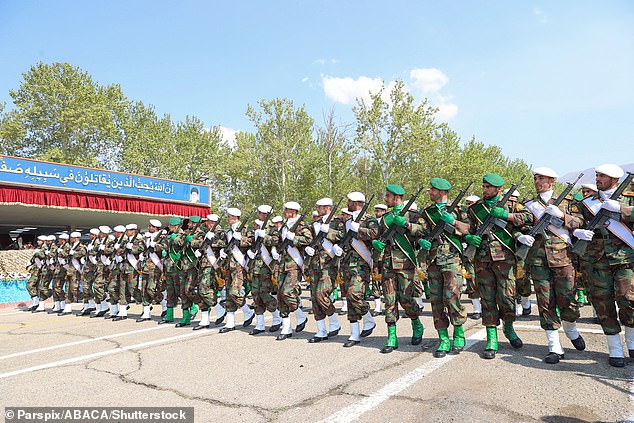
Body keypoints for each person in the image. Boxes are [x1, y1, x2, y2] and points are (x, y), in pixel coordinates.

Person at [519, 167, 586, 363]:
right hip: (539, 260)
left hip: (564, 258)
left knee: (568, 299)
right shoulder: (528, 204)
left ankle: (571, 329)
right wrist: (521, 235)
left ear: (552, 181)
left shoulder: (568, 202)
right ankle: (554, 347)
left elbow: (580, 223)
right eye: (536, 178)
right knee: (545, 302)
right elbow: (521, 225)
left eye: (542, 178)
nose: (537, 181)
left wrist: (563, 217)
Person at [573, 164, 634, 367]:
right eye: (597, 175)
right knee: (603, 303)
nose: (598, 178)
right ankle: (615, 348)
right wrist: (577, 231)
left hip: (625, 256)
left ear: (615, 179)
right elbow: (577, 220)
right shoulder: (587, 203)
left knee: (628, 299)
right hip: (596, 257)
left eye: (603, 176)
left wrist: (622, 209)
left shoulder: (629, 197)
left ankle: (632, 342)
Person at [464, 174, 530, 359]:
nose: (484, 190)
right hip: (483, 259)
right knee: (487, 298)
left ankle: (509, 329)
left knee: (507, 297)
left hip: (505, 259)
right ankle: (491, 338)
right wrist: (469, 237)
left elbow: (529, 218)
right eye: (483, 186)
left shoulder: (511, 204)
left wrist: (507, 215)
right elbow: (468, 228)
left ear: (498, 189)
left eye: (488, 187)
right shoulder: (476, 208)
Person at [417, 178, 469, 358]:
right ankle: (443, 338)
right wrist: (420, 240)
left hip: (452, 259)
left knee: (452, 296)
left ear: (441, 191)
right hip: (433, 260)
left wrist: (454, 222)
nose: (430, 192)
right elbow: (422, 230)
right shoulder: (427, 212)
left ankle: (459, 332)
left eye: (432, 189)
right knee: (436, 300)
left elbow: (469, 230)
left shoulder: (458, 210)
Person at [372, 185, 424, 354]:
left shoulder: (412, 215)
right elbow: (379, 235)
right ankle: (392, 336)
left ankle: (416, 323)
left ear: (397, 198)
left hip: (405, 264)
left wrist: (409, 225)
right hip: (388, 264)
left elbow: (423, 231)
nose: (385, 198)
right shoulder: (385, 218)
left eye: (388, 196)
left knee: (406, 299)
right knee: (389, 300)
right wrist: (376, 243)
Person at [339, 192, 379, 347]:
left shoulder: (369, 219)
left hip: (361, 264)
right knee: (349, 298)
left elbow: (375, 234)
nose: (348, 203)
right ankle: (354, 334)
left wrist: (359, 230)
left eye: (350, 201)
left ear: (356, 203)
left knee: (353, 294)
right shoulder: (347, 220)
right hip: (347, 263)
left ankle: (368, 318)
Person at [272, 201, 313, 340]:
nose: (285, 212)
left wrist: (294, 238)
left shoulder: (302, 226)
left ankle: (300, 315)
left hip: (294, 264)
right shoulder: (284, 225)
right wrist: (274, 248)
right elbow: (278, 240)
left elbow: (308, 239)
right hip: (282, 263)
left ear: (294, 211)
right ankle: (286, 328)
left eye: (288, 210)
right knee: (280, 296)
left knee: (287, 292)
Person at [246, 205, 282, 334]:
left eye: (262, 213)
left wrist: (265, 237)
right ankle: (260, 324)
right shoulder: (254, 227)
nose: (260, 215)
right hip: (255, 266)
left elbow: (277, 240)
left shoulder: (273, 228)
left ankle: (277, 318)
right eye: (259, 213)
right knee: (256, 295)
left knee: (266, 295)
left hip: (266, 266)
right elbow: (248, 241)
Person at [218, 208, 255, 333]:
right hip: (229, 265)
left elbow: (253, 242)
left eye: (229, 216)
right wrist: (222, 251)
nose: (227, 219)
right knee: (229, 293)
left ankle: (248, 311)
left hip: (240, 265)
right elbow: (225, 244)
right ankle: (230, 323)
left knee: (235, 291)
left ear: (235, 217)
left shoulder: (246, 229)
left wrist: (241, 239)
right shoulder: (228, 231)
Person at [137, 219, 167, 322]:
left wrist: (155, 247)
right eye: (149, 226)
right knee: (144, 290)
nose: (149, 227)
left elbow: (165, 247)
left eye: (151, 226)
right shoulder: (146, 237)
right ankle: (146, 313)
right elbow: (140, 248)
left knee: (151, 289)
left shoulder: (162, 237)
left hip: (155, 267)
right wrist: (139, 252)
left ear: (156, 228)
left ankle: (164, 302)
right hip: (145, 267)